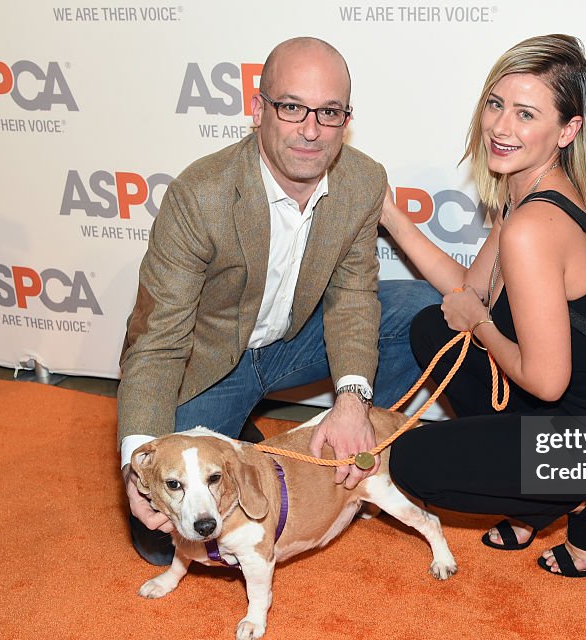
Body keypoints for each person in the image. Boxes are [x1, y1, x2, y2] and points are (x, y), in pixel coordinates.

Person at [118, 37, 439, 565]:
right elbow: (157, 343)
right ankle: (238, 430)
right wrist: (136, 466)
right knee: (162, 542)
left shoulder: (361, 181)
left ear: (345, 118)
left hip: (293, 341)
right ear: (258, 108)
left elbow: (353, 297)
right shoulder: (201, 195)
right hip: (209, 361)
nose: (311, 130)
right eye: (292, 107)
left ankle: (352, 446)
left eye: (329, 112)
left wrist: (353, 399)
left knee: (424, 310)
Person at [382, 34, 586, 578]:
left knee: (412, 462)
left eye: (525, 114)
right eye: (495, 105)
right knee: (432, 329)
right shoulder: (531, 195)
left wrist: (484, 325)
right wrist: (395, 219)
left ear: (568, 130)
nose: (500, 127)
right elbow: (467, 289)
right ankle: (537, 493)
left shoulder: (534, 228)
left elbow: (545, 381)